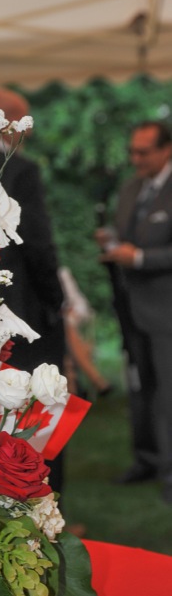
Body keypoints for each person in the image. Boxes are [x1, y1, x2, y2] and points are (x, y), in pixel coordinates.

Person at [0, 88, 66, 495]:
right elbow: (38, 243)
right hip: (20, 306)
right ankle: (43, 498)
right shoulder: (19, 170)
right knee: (37, 405)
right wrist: (55, 300)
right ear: (10, 123)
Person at [97, 120, 172, 503]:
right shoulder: (131, 188)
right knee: (140, 387)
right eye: (132, 151)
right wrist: (112, 242)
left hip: (166, 310)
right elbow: (128, 235)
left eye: (144, 152)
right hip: (131, 307)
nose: (135, 159)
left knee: (168, 392)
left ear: (167, 149)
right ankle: (147, 459)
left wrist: (140, 258)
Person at [58, 266, 112, 398]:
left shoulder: (62, 274)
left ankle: (74, 393)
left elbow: (82, 305)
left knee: (69, 335)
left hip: (70, 326)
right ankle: (96, 379)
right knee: (68, 333)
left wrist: (71, 314)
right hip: (58, 328)